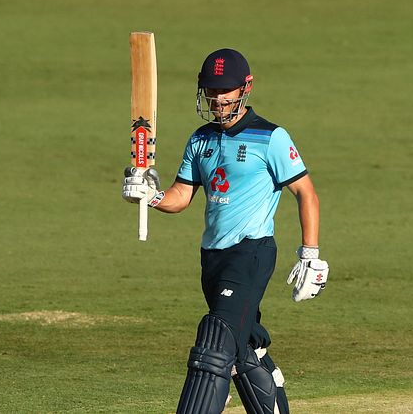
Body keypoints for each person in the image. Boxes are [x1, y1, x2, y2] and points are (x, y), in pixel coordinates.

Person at [122, 48, 329, 414]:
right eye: (211, 91)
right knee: (241, 350)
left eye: (226, 90)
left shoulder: (271, 138)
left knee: (214, 344)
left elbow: (306, 192)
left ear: (245, 88)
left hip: (250, 254)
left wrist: (310, 255)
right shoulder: (199, 140)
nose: (218, 99)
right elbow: (180, 197)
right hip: (212, 259)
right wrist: (149, 196)